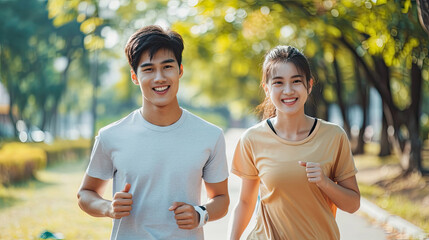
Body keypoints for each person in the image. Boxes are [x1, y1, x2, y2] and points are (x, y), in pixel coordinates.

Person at [77, 25, 229, 240]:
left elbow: (221, 198)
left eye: (167, 66)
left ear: (180, 70)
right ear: (134, 77)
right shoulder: (111, 135)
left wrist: (200, 213)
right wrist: (108, 207)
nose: (159, 77)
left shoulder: (209, 135)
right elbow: (85, 194)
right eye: (148, 69)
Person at [229, 45, 360, 240]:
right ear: (266, 89)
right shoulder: (252, 139)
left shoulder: (333, 136)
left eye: (296, 81)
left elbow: (353, 204)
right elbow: (246, 202)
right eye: (278, 83)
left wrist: (325, 183)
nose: (288, 91)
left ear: (309, 85)